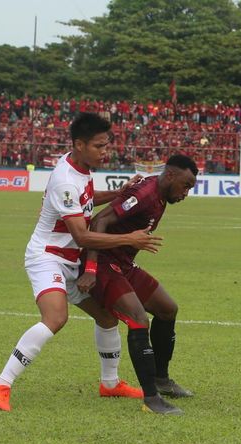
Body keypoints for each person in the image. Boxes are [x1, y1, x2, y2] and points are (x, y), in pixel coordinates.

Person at [0, 113, 161, 412]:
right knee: (56, 318)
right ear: (79, 144)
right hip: (47, 258)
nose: (105, 151)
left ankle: (110, 384)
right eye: (99, 146)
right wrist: (129, 239)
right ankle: (1, 383)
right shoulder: (66, 181)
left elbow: (87, 202)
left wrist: (119, 193)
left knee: (107, 318)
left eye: (107, 145)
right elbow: (82, 235)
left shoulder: (80, 167)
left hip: (69, 260)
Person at [78, 154, 198, 415]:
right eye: (186, 186)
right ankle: (152, 398)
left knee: (168, 309)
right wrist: (89, 269)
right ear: (171, 176)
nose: (186, 193)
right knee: (138, 318)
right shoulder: (144, 193)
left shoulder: (161, 194)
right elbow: (99, 221)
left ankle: (160, 379)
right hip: (102, 264)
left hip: (123, 265)